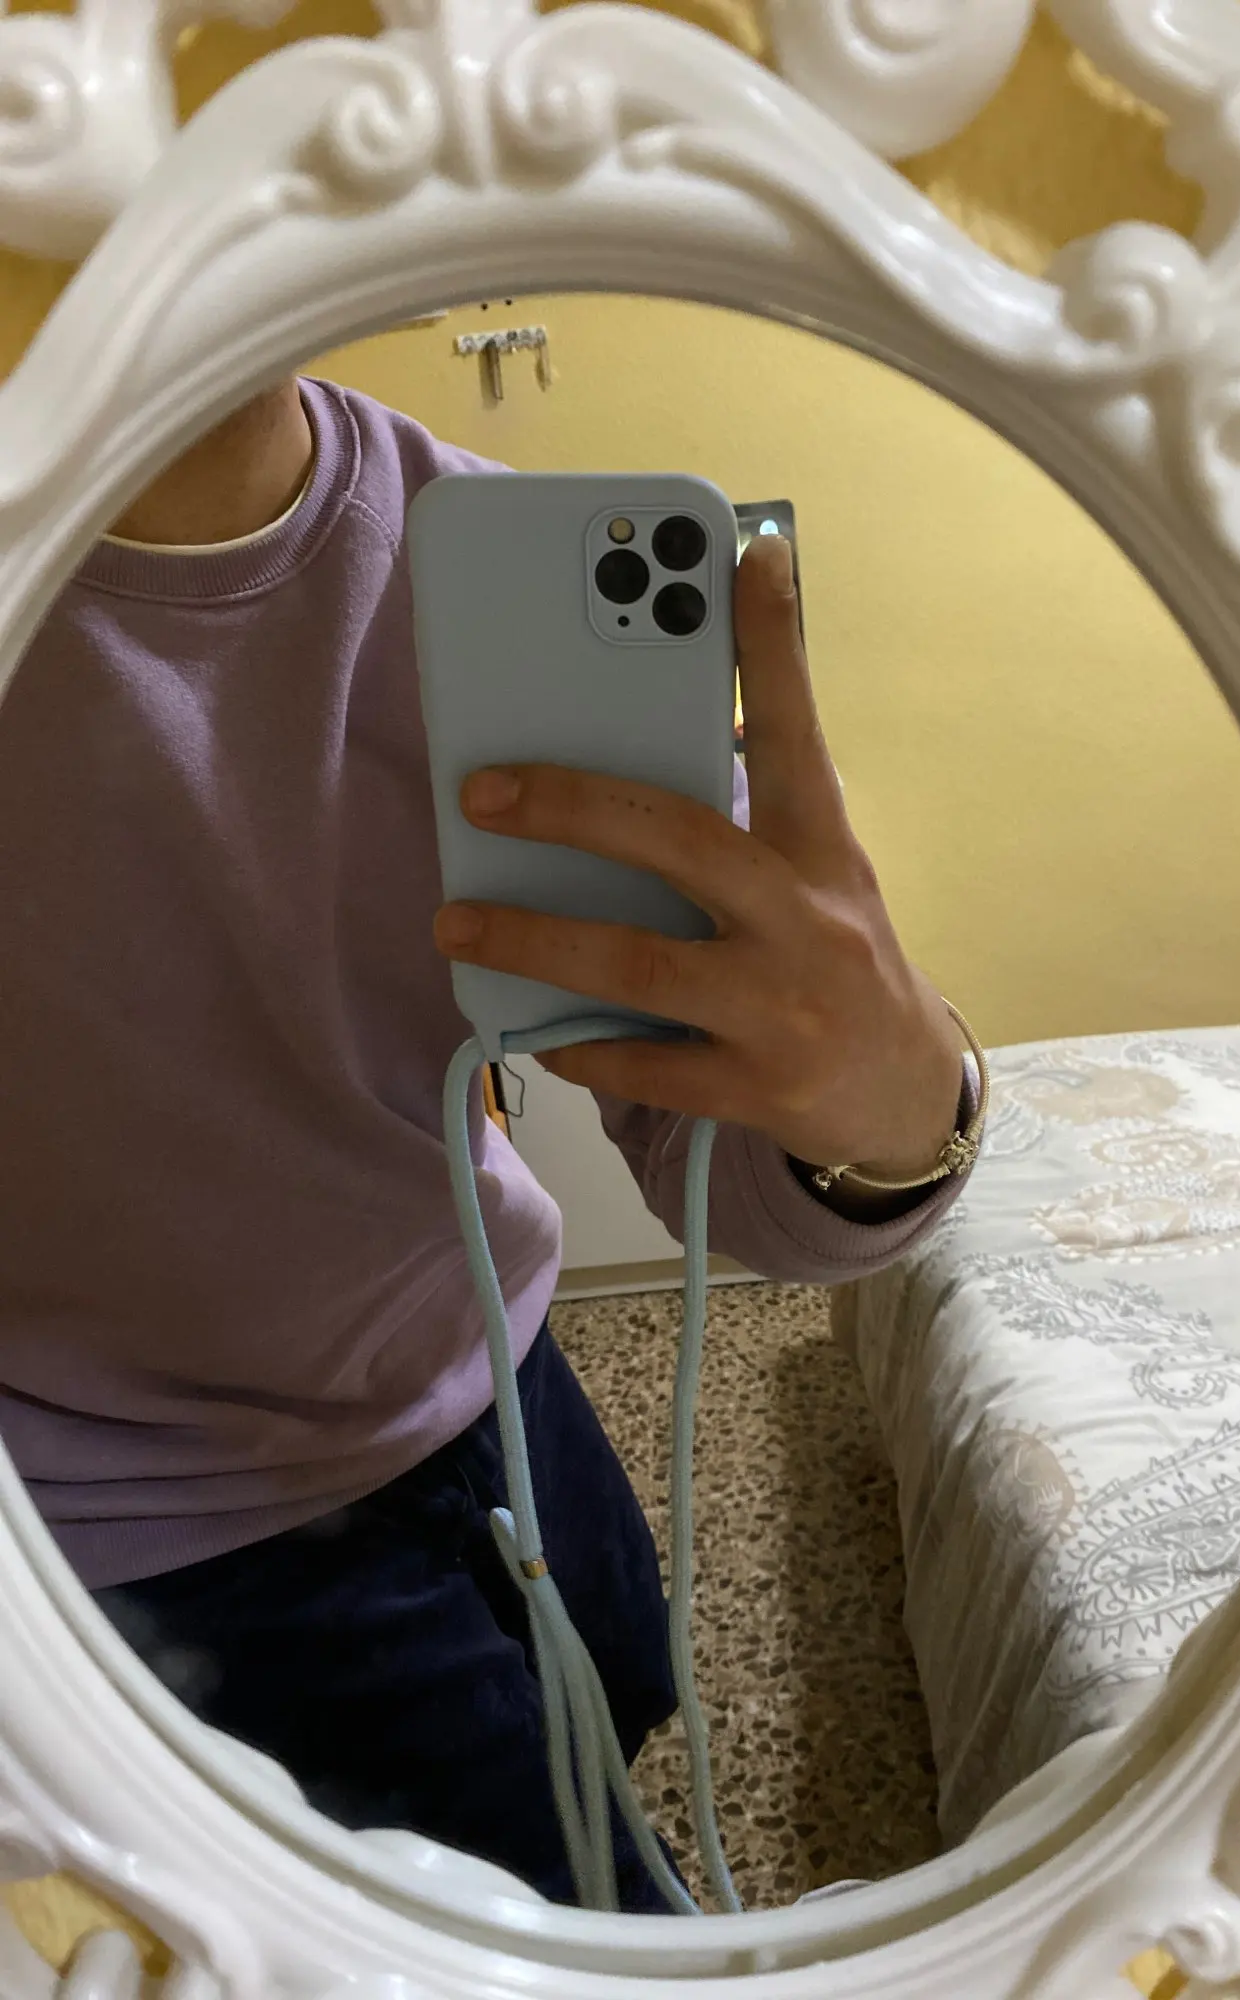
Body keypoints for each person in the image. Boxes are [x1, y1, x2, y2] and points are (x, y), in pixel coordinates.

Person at [0, 374, 976, 1911]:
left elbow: (738, 1180)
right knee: (546, 1928)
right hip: (160, 1528)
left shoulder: (480, 560)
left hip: (502, 1377)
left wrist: (903, 1101)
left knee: (616, 1707)